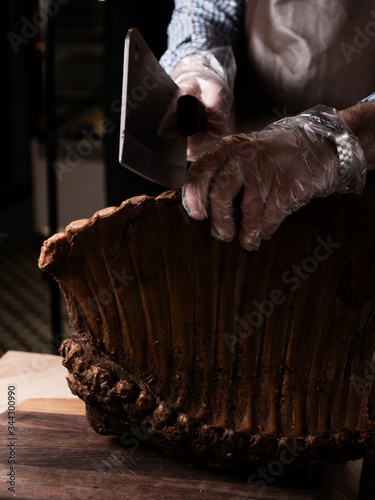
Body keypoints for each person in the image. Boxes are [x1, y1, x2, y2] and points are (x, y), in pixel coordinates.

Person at [159, 0, 375, 251]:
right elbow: (206, 9)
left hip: (366, 196)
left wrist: (331, 142)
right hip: (244, 180)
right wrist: (200, 64)